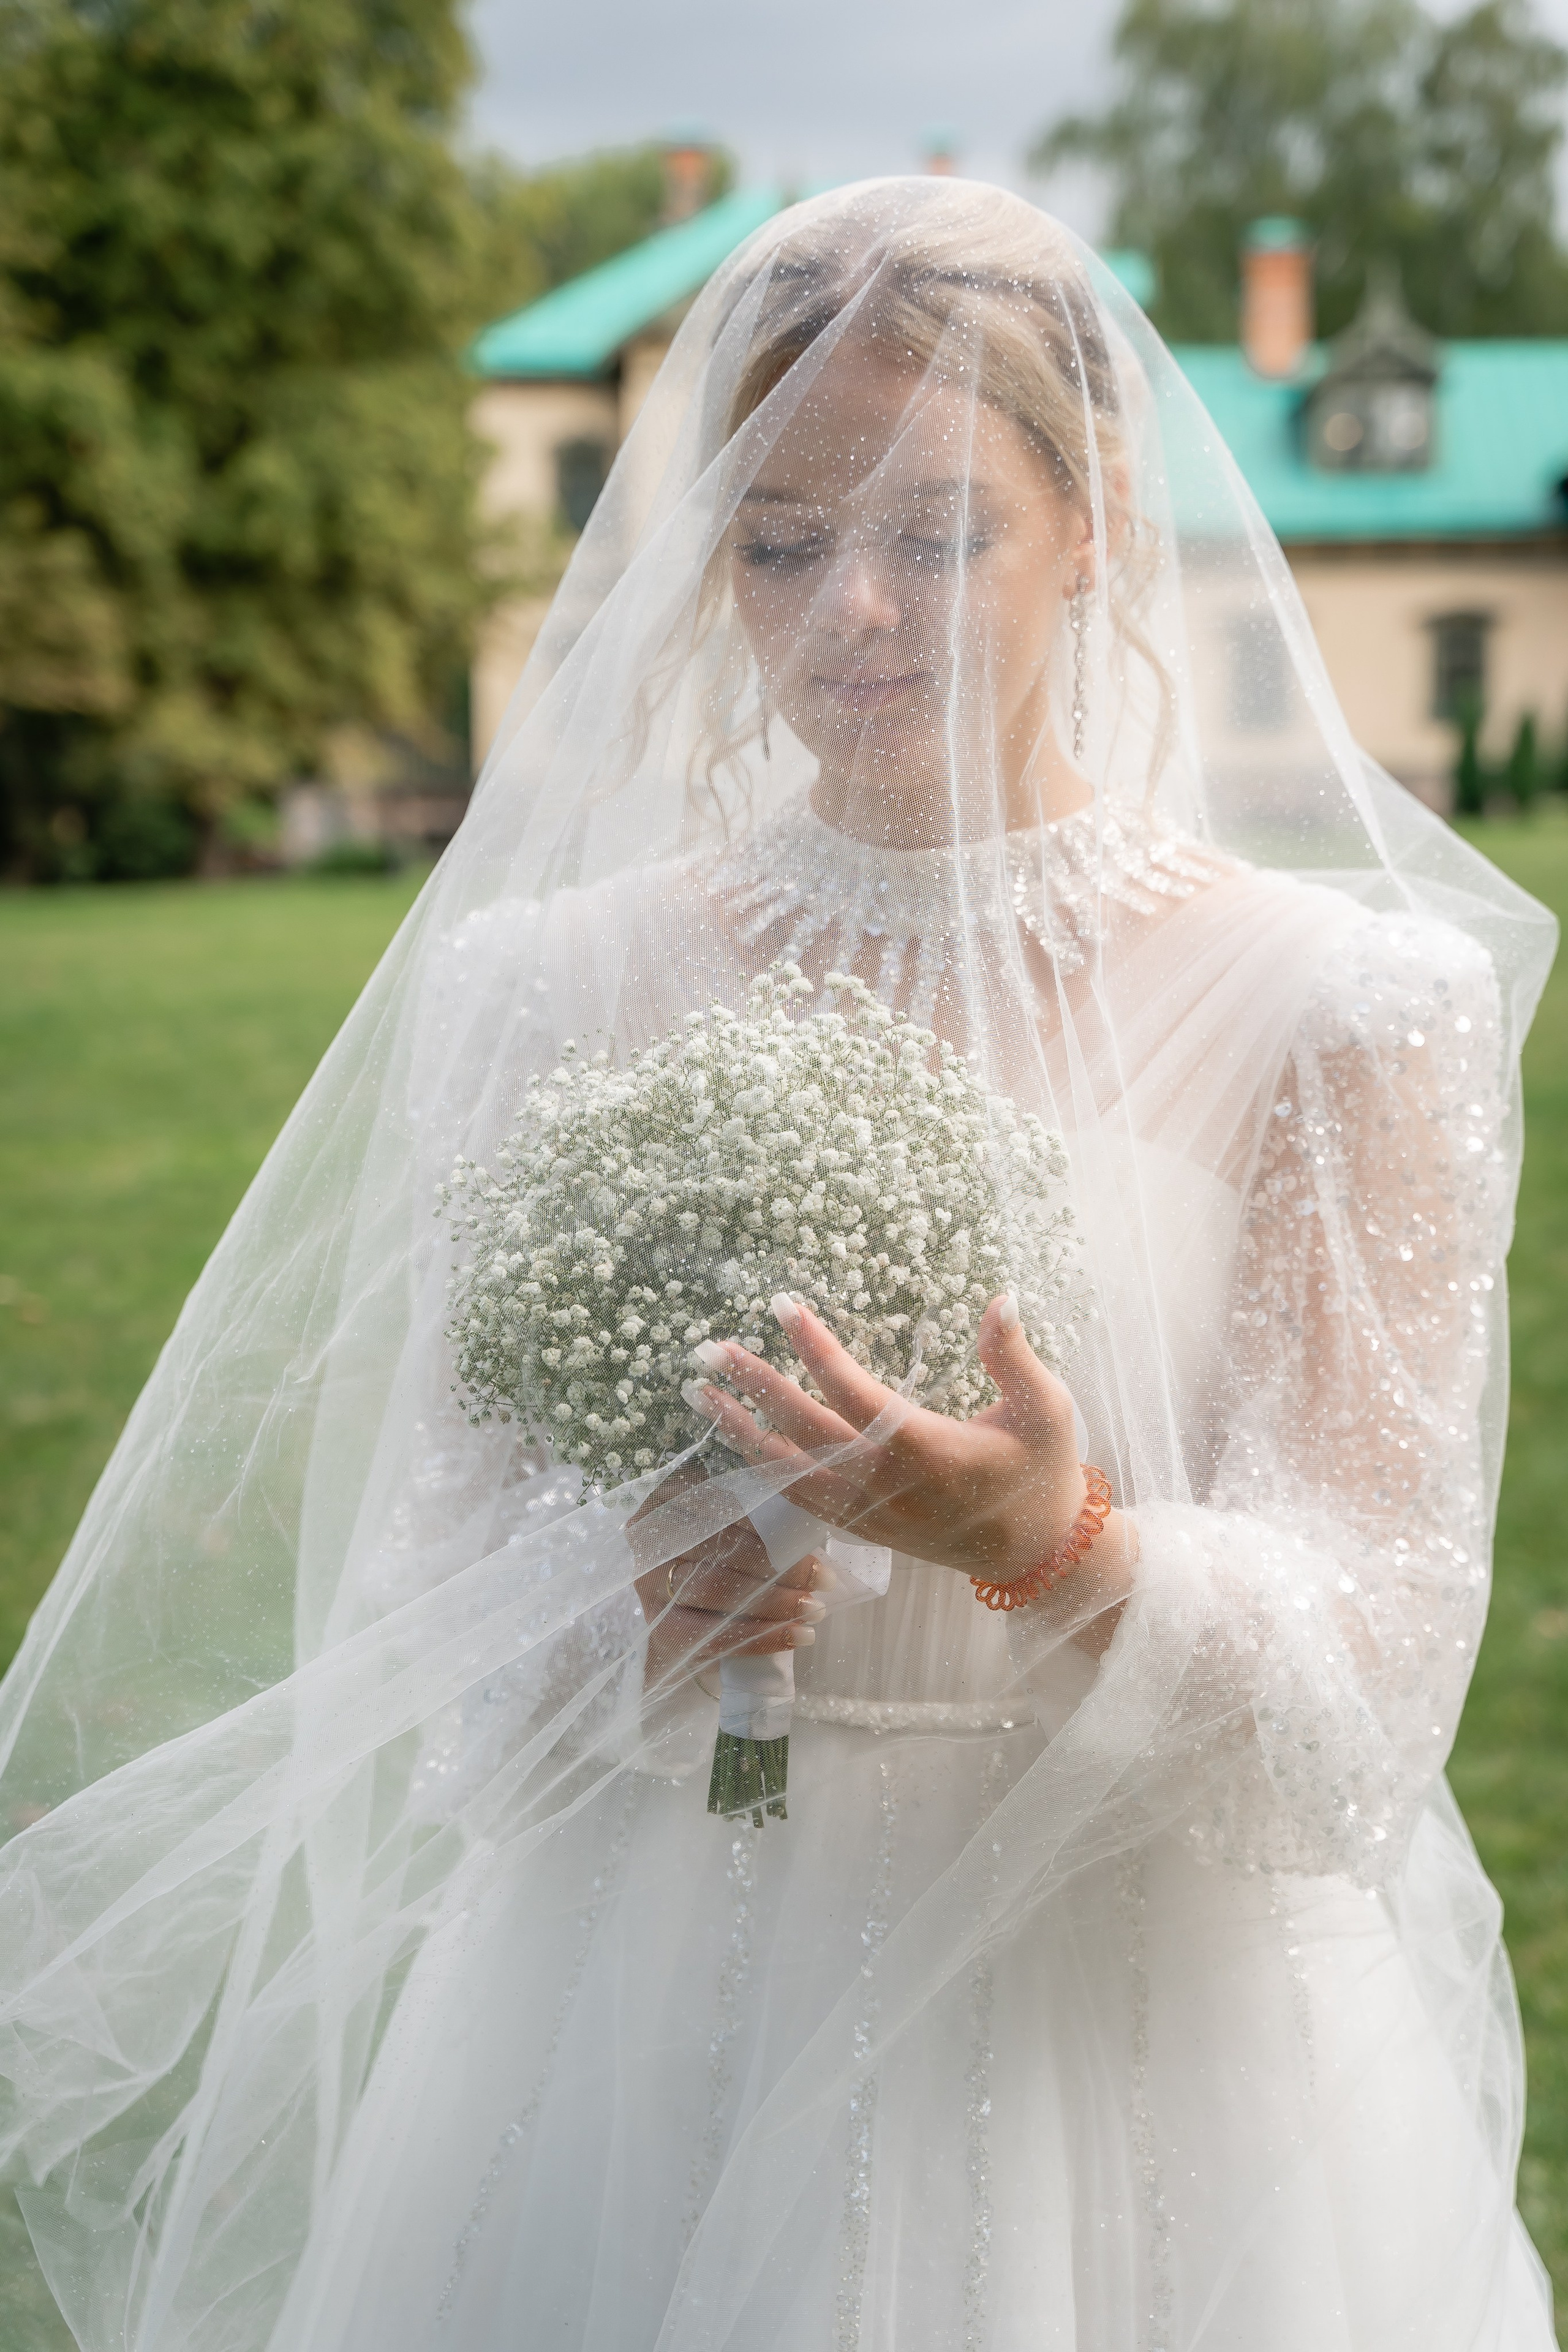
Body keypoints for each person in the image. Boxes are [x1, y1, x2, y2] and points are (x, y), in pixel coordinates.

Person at [0, 179, 1556, 2352]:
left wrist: (1068, 1538)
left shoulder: (1337, 1007)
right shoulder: (548, 983)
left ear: (1096, 519)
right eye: (780, 540)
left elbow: (1371, 1689)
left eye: (934, 533)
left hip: (1122, 2027)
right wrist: (624, 1597)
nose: (849, 612)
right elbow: (438, 1598)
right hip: (641, 1998)